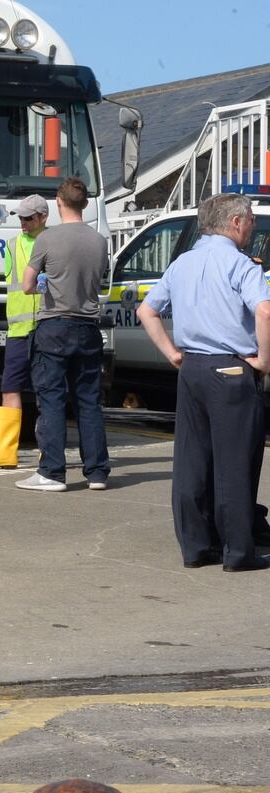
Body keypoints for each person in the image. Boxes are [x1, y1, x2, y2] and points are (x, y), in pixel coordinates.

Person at [137, 194, 270, 571]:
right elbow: (264, 309)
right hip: (230, 370)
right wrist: (264, 360)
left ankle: (196, 547)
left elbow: (146, 310)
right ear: (235, 223)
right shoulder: (239, 265)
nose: (252, 227)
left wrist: (172, 353)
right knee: (234, 463)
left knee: (192, 462)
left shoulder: (183, 263)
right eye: (249, 221)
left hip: (192, 367)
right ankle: (238, 552)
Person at [17, 177, 110, 492]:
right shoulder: (99, 241)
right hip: (88, 326)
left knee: (53, 399)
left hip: (55, 325)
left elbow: (27, 284)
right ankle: (96, 472)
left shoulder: (48, 239)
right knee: (89, 401)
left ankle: (52, 472)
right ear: (84, 204)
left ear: (59, 203)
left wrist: (44, 278)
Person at [0, 194, 47, 468]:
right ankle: (5, 452)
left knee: (47, 390)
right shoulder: (12, 245)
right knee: (10, 387)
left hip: (46, 326)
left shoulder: (53, 243)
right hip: (18, 328)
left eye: (28, 218)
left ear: (43, 218)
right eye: (21, 217)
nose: (23, 223)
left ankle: (48, 451)